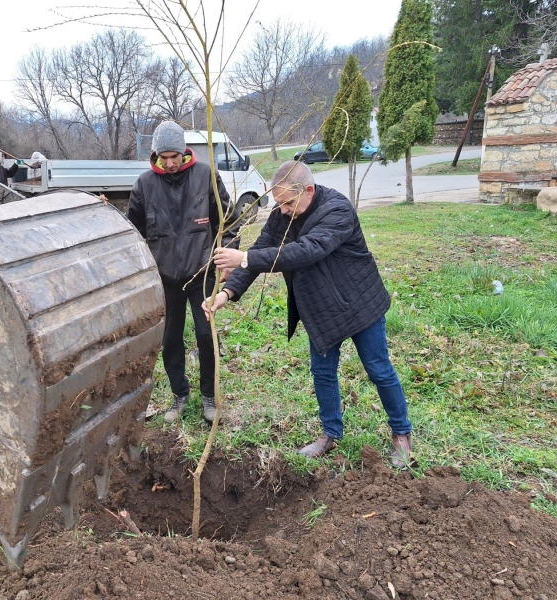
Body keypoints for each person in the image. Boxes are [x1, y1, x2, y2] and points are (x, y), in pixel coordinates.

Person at [204, 160, 413, 467]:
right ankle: (330, 434)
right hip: (321, 308)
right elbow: (263, 250)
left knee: (378, 369)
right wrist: (227, 292)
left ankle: (402, 434)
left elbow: (307, 250)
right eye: (278, 203)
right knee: (323, 373)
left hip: (359, 303)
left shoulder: (337, 210)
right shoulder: (282, 214)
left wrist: (244, 257)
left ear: (309, 190)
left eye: (287, 202)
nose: (283, 209)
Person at [127, 120, 240, 425]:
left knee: (206, 336)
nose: (170, 163)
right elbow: (134, 234)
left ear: (183, 152)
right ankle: (179, 395)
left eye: (173, 156)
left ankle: (208, 396)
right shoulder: (144, 185)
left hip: (201, 273)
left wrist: (226, 259)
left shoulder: (205, 177)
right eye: (163, 158)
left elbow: (227, 222)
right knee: (170, 339)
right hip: (164, 280)